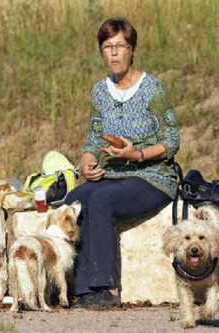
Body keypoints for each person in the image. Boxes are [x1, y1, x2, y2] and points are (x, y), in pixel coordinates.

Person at [64, 17, 181, 308]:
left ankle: (106, 289)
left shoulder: (153, 88)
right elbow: (94, 137)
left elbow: (171, 141)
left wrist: (137, 154)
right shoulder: (99, 92)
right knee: (75, 199)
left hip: (152, 176)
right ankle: (82, 288)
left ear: (132, 49)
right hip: (114, 173)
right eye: (107, 47)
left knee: (102, 200)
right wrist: (87, 161)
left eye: (120, 46)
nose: (114, 53)